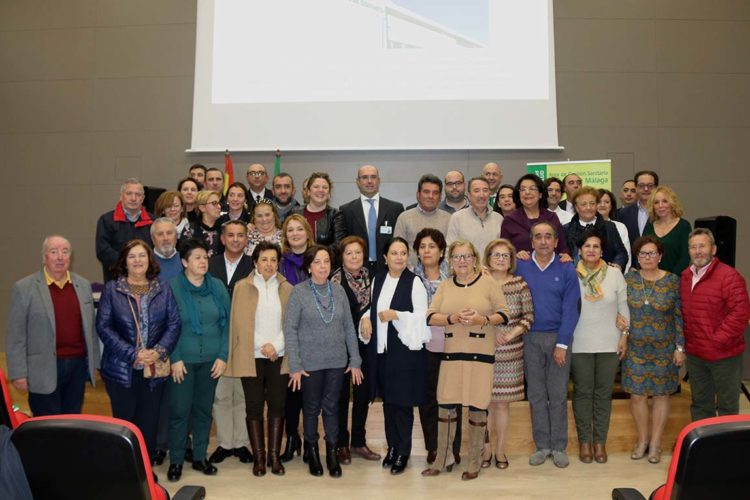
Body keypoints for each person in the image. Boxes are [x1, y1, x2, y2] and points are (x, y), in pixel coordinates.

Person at [422, 240, 508, 480]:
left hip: (480, 354)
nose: (462, 261)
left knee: (478, 405)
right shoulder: (446, 286)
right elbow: (430, 316)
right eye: (457, 257)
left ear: (475, 259)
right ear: (450, 260)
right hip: (451, 355)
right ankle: (443, 458)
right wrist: (452, 317)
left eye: (467, 256)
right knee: (446, 405)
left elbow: (504, 313)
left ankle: (474, 461)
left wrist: (482, 319)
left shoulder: (488, 283)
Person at [284, 245, 364, 478]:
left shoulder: (338, 291)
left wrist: (355, 359)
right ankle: (313, 452)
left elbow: (349, 327)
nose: (322, 266)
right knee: (310, 409)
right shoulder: (298, 292)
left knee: (331, 408)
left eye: (326, 262)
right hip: (309, 364)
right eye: (317, 262)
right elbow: (290, 329)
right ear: (309, 267)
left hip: (337, 362)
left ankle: (331, 453)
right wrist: (295, 365)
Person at [96, 239, 180, 459]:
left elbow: (174, 324)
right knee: (124, 423)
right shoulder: (112, 290)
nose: (137, 260)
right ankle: (125, 469)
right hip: (121, 369)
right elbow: (103, 327)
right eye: (132, 256)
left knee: (148, 421)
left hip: (153, 369)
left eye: (142, 255)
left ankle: (145, 468)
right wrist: (133, 353)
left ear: (149, 260)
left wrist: (159, 351)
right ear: (124, 261)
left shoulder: (163, 289)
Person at [357, 237, 432, 475]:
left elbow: (423, 317)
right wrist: (366, 318)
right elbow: (370, 308)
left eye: (403, 253)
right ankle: (392, 448)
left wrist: (396, 315)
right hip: (382, 353)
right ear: (384, 257)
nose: (399, 257)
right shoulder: (378, 279)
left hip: (405, 353)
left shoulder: (415, 282)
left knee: (402, 404)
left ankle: (403, 451)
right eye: (394, 253)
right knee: (389, 403)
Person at [6, 236, 99, 416]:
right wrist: (18, 373)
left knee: (71, 422)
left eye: (65, 252)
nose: (60, 257)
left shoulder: (83, 285)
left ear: (70, 257)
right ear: (44, 257)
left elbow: (91, 329)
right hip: (41, 370)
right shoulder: (24, 288)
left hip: (77, 367)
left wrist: (94, 363)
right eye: (53, 252)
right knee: (46, 426)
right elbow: (15, 336)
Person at [225, 241, 293, 476]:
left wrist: (275, 346)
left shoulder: (287, 288)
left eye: (274, 260)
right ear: (255, 262)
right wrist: (261, 345)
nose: (269, 264)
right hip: (251, 355)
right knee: (254, 407)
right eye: (264, 259)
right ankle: (259, 458)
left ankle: (275, 457)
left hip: (279, 355)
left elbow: (291, 325)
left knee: (277, 405)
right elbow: (239, 323)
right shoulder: (242, 287)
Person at [516, 222, 580, 468]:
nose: (543, 241)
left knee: (558, 394)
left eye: (548, 237)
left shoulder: (566, 268)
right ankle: (542, 446)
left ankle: (559, 446)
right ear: (531, 242)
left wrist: (562, 343)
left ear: (556, 241)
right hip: (530, 338)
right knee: (536, 395)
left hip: (558, 338)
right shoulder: (520, 265)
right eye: (538, 237)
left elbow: (571, 309)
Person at [167, 238, 230, 481]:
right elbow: (168, 326)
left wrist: (223, 356)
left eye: (205, 257)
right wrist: (175, 358)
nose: (203, 261)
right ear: (184, 262)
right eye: (197, 258)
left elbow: (227, 324)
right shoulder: (172, 288)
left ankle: (200, 457)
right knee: (180, 412)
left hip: (212, 361)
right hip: (183, 361)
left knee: (204, 411)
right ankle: (176, 461)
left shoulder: (217, 287)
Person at [622, 236, 685, 465]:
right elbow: (620, 312)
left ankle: (656, 444)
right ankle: (642, 441)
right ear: (637, 257)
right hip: (635, 349)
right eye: (643, 254)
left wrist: (680, 347)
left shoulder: (672, 281)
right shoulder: (628, 279)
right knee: (637, 395)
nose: (647, 257)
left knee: (661, 395)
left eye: (652, 253)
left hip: (664, 350)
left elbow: (679, 316)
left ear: (660, 256)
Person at [569, 230, 629, 464]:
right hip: (580, 342)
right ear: (580, 251)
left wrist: (624, 336)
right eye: (587, 246)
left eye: (596, 246)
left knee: (603, 394)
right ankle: (585, 441)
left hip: (609, 342)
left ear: (602, 251)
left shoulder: (615, 274)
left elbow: (623, 308)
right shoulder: (571, 274)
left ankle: (599, 442)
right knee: (583, 393)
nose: (591, 250)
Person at [680, 228, 750, 420]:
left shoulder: (730, 277)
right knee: (701, 404)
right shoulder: (685, 277)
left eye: (702, 246)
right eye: (693, 247)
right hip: (695, 355)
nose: (698, 251)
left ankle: (727, 449)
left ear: (713, 249)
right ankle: (704, 448)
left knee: (727, 407)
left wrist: (716, 340)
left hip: (724, 355)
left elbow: (740, 315)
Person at [412, 229, 462, 467]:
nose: (427, 251)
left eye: (432, 246)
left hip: (454, 343)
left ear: (442, 251)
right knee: (428, 398)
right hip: (424, 346)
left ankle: (453, 447)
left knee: (453, 397)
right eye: (422, 247)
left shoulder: (454, 276)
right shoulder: (409, 277)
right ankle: (433, 447)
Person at [206, 220, 254, 465]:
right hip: (217, 338)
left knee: (243, 394)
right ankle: (225, 443)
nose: (236, 239)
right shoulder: (209, 265)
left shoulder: (254, 266)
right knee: (222, 394)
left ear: (247, 239)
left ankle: (241, 442)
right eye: (231, 235)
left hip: (246, 339)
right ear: (222, 239)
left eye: (240, 235)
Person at [482, 238, 534, 469]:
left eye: (505, 255)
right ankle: (485, 450)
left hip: (510, 352)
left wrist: (511, 334)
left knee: (502, 405)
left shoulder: (519, 284)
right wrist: (491, 334)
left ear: (511, 260)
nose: (501, 259)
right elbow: (472, 313)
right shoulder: (479, 282)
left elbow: (528, 316)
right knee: (482, 403)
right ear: (488, 258)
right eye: (496, 255)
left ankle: (500, 451)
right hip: (483, 348)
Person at [331, 236, 381, 464]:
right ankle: (341, 443)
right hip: (340, 346)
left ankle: (359, 442)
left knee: (363, 395)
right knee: (341, 396)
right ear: (342, 256)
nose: (354, 257)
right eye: (349, 253)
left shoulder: (373, 278)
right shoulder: (334, 281)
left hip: (367, 345)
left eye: (358, 253)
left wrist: (366, 318)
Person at [278, 213, 316, 461]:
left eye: (298, 229)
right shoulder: (279, 263)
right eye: (289, 230)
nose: (294, 234)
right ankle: (292, 438)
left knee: (310, 393)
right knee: (290, 393)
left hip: (315, 334)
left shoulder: (318, 258)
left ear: (307, 232)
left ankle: (311, 441)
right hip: (287, 333)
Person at [334, 165, 405, 275]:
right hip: (357, 269)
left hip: (388, 268)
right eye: (364, 177)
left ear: (379, 180)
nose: (369, 181)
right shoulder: (346, 210)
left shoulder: (395, 209)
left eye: (373, 177)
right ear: (357, 182)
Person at [96, 178, 154, 281]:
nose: (133, 198)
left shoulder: (153, 221)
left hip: (147, 282)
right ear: (121, 196)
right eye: (129, 193)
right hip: (116, 283)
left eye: (138, 194)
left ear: (143, 198)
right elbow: (103, 251)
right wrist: (129, 263)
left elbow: (157, 252)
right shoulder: (106, 220)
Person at [500, 174, 569, 261]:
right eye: (523, 189)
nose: (527, 192)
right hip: (520, 270)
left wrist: (565, 255)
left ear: (540, 194)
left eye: (532, 188)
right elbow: (503, 252)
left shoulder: (552, 217)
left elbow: (562, 248)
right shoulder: (509, 220)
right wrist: (515, 255)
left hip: (549, 269)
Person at [563, 186, 628, 270]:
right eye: (584, 204)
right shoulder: (566, 229)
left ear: (597, 205)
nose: (589, 207)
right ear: (576, 207)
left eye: (592, 203)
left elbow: (621, 253)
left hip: (605, 276)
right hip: (575, 278)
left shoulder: (609, 227)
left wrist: (617, 265)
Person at [394, 174, 451, 269]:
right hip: (410, 275)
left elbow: (451, 250)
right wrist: (411, 273)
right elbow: (397, 249)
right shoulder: (404, 218)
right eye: (426, 192)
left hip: (442, 276)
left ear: (440, 197)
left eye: (435, 193)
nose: (431, 196)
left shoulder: (449, 219)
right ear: (418, 195)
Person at [445, 176, 503, 258]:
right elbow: (449, 250)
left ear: (489, 194)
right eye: (477, 191)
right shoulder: (457, 218)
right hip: (466, 270)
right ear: (469, 195)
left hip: (492, 270)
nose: (482, 195)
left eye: (485, 190)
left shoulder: (499, 218)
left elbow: (504, 250)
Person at [642, 186, 691, 275]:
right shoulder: (649, 225)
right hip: (650, 278)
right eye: (656, 202)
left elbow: (685, 257)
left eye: (665, 201)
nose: (660, 206)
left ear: (672, 203)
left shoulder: (684, 226)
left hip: (676, 279)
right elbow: (642, 252)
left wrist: (671, 279)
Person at [291, 172, 339, 247]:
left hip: (325, 258)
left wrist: (318, 256)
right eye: (316, 187)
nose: (320, 190)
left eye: (325, 187)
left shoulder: (336, 215)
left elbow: (338, 245)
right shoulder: (294, 213)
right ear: (308, 192)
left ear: (329, 193)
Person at [619, 170, 659, 249]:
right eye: (641, 185)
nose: (646, 189)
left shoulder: (662, 212)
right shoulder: (623, 213)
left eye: (650, 185)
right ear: (636, 188)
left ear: (656, 188)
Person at [180, 190, 224, 258]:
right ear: (202, 208)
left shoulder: (225, 229)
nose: (219, 206)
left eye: (219, 203)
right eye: (214, 203)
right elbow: (186, 256)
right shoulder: (189, 229)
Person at [596, 188, 631, 271]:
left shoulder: (620, 227)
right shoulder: (587, 225)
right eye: (599, 202)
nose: (602, 205)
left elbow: (626, 254)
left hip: (614, 273)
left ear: (611, 206)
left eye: (606, 202)